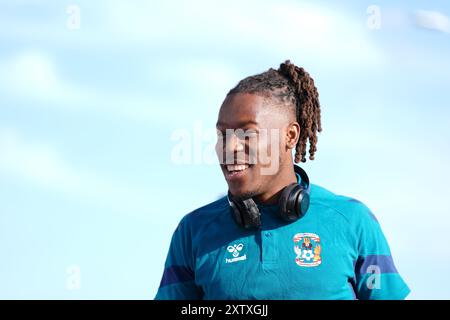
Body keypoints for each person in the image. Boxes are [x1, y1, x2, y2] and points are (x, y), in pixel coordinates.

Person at [155, 60, 410, 300]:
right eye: (223, 134)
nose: (229, 146)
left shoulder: (353, 222)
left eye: (247, 133)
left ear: (290, 136)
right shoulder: (193, 231)